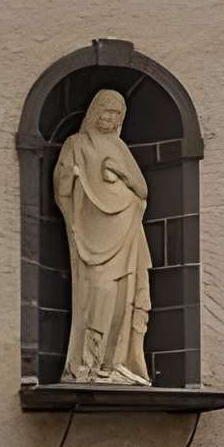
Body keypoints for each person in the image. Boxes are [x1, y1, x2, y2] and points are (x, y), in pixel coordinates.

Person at [53, 90, 156, 385]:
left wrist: (119, 173)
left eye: (116, 115)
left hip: (126, 232)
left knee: (123, 300)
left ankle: (114, 364)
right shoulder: (77, 144)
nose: (110, 119)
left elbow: (142, 188)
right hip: (93, 233)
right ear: (94, 112)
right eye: (106, 112)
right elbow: (62, 188)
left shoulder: (120, 147)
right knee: (99, 292)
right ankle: (86, 364)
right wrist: (73, 179)